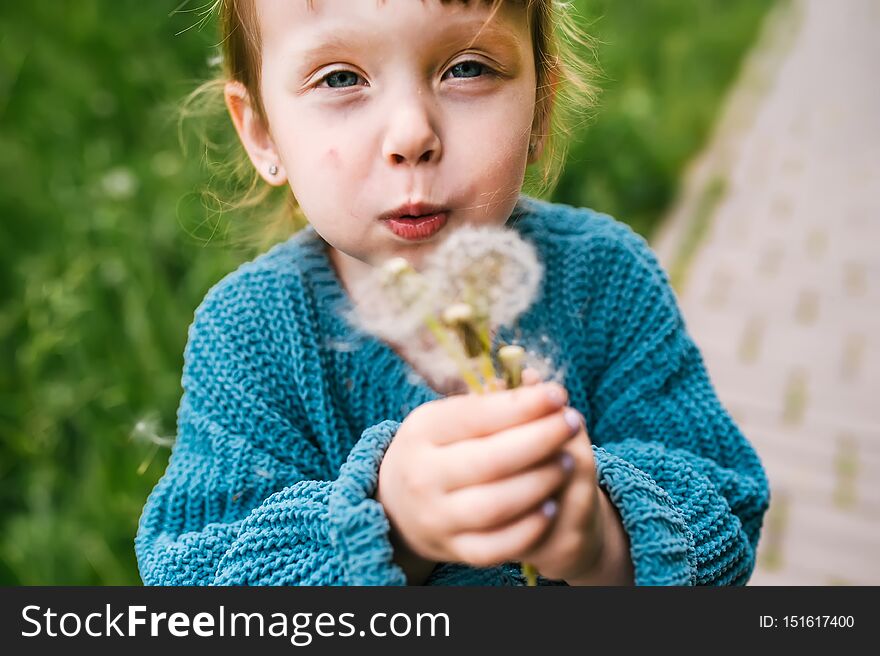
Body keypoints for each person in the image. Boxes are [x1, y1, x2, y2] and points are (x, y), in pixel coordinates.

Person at [135, 0, 770, 586]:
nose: (412, 134)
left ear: (540, 108)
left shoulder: (605, 279)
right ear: (262, 133)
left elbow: (729, 508)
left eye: (467, 67)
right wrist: (386, 524)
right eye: (339, 78)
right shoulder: (249, 337)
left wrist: (602, 536)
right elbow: (195, 575)